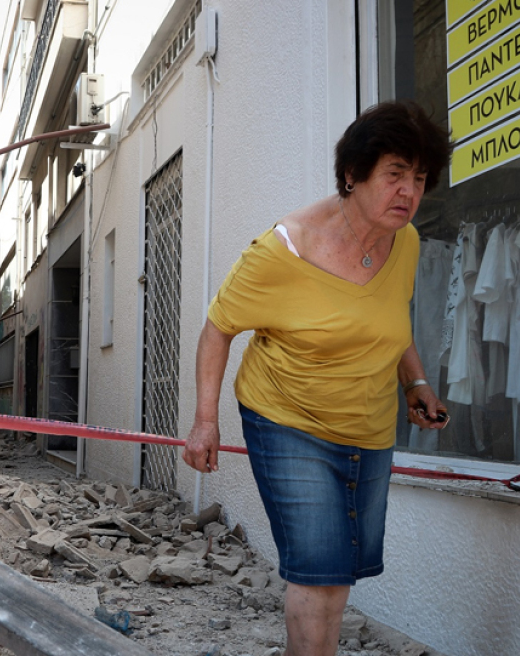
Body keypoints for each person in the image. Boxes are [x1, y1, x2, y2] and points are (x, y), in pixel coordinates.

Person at [183, 101, 453, 656]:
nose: (409, 192)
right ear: (353, 175)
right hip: (287, 419)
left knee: (338, 570)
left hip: (368, 426)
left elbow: (390, 320)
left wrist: (416, 383)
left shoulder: (406, 242)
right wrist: (205, 422)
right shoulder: (284, 250)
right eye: (395, 175)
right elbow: (217, 331)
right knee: (317, 568)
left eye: (420, 178)